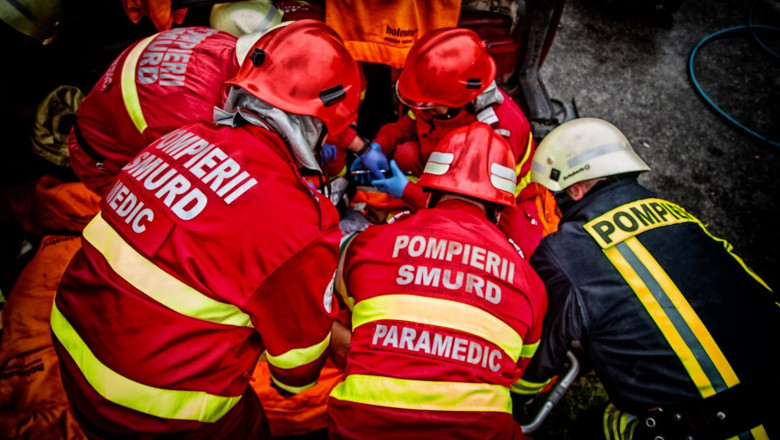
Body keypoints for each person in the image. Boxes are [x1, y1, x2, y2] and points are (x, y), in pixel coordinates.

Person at [51, 19, 363, 439]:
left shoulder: (179, 136)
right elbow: (296, 373)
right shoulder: (301, 220)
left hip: (73, 343)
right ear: (326, 121)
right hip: (152, 406)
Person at [515, 117, 779, 440]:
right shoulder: (681, 216)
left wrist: (517, 395)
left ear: (575, 189)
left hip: (705, 427)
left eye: (552, 194)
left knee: (595, 428)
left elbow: (540, 353)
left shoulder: (565, 251)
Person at [328, 121, 547, 439]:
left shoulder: (369, 243)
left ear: (427, 192)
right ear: (500, 211)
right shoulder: (530, 283)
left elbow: (340, 300)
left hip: (361, 427)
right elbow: (517, 367)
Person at [352, 27, 559, 257]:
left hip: (502, 201)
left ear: (459, 100)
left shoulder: (497, 133)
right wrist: (379, 145)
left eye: (426, 105)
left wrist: (407, 191)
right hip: (447, 167)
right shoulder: (436, 99)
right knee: (404, 154)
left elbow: (467, 208)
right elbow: (408, 124)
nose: (420, 109)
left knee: (506, 250)